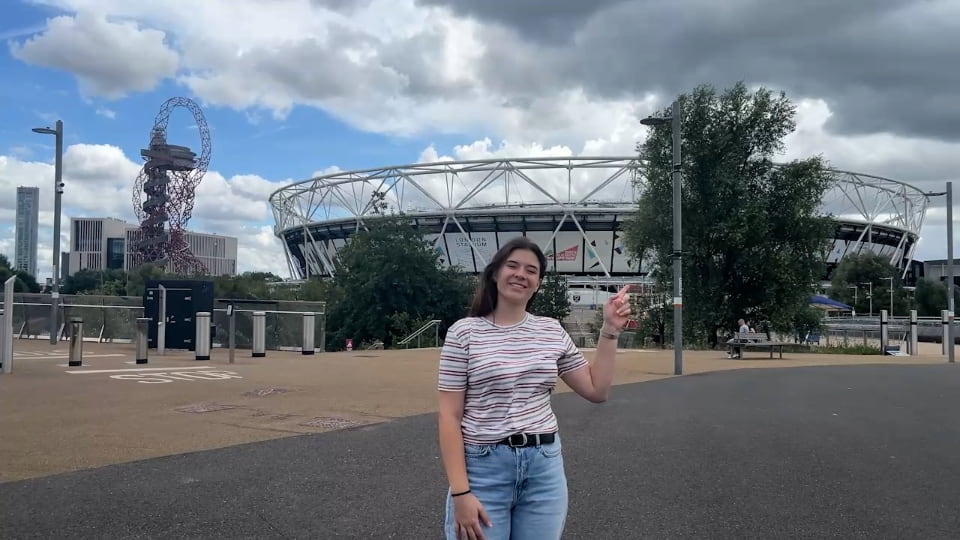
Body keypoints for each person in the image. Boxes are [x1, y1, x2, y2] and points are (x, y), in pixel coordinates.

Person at [436, 237, 632, 540]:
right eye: (512, 266)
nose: (520, 274)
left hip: (543, 469)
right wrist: (461, 492)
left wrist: (609, 331)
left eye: (531, 270)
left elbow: (596, 390)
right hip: (483, 471)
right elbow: (449, 416)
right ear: (495, 273)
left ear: (538, 283)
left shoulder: (550, 330)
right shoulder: (464, 333)